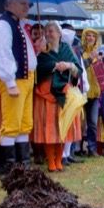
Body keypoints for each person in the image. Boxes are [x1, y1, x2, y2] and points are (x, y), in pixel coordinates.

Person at [0, 0, 37, 172]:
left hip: (26, 78)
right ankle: (9, 166)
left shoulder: (18, 25)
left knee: (24, 123)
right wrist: (9, 81)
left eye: (28, 4)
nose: (27, 7)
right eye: (23, 3)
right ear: (9, 5)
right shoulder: (3, 24)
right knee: (11, 124)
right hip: (15, 79)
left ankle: (23, 164)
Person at [30, 22, 81, 172]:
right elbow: (38, 68)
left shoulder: (67, 49)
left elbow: (77, 69)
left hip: (64, 91)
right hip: (47, 91)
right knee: (49, 127)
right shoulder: (43, 50)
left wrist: (69, 66)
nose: (48, 34)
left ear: (59, 34)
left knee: (62, 128)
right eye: (46, 31)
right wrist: (54, 65)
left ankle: (59, 159)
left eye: (51, 31)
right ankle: (51, 161)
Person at [79, 28, 103, 156]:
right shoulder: (80, 52)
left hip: (95, 93)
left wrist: (102, 61)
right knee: (80, 122)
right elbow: (80, 68)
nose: (90, 38)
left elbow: (103, 74)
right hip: (82, 92)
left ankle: (92, 149)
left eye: (93, 36)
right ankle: (77, 148)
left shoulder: (98, 54)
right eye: (87, 35)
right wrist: (91, 59)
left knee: (93, 123)